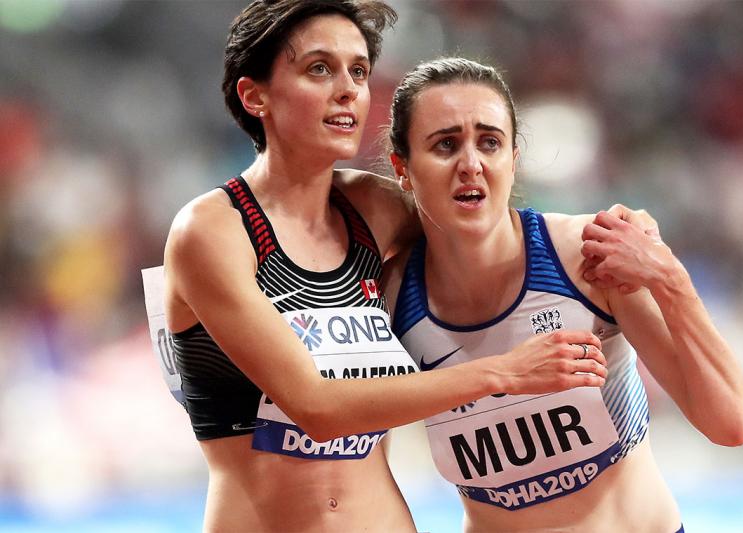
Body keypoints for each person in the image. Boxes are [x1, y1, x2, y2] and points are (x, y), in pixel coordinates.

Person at [161, 2, 619, 531]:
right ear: (254, 95)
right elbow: (317, 409)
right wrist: (503, 372)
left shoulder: (376, 211)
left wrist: (613, 230)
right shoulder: (213, 230)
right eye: (319, 68)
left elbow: (491, 219)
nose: (348, 90)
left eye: (358, 70)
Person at [383, 57, 743, 532]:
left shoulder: (588, 256)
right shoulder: (393, 298)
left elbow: (729, 424)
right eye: (446, 144)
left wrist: (670, 279)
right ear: (403, 168)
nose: (471, 165)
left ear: (513, 162)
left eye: (490, 143)